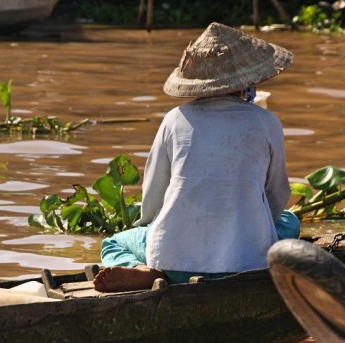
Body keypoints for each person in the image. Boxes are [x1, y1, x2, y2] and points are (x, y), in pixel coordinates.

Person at [93, 22, 300, 292]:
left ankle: (144, 269)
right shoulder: (266, 121)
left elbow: (155, 194)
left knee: (114, 243)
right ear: (246, 83)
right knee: (290, 222)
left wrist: (152, 230)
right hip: (246, 263)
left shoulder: (173, 120)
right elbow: (276, 195)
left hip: (173, 262)